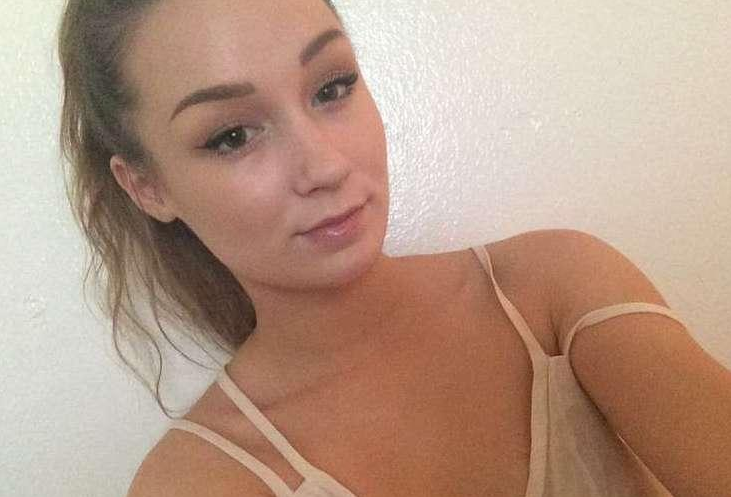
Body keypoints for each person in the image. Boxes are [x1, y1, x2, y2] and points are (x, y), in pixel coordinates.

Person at [57, 1, 731, 496]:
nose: (324, 165)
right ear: (147, 187)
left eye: (332, 88)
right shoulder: (197, 479)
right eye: (232, 135)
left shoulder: (556, 291)